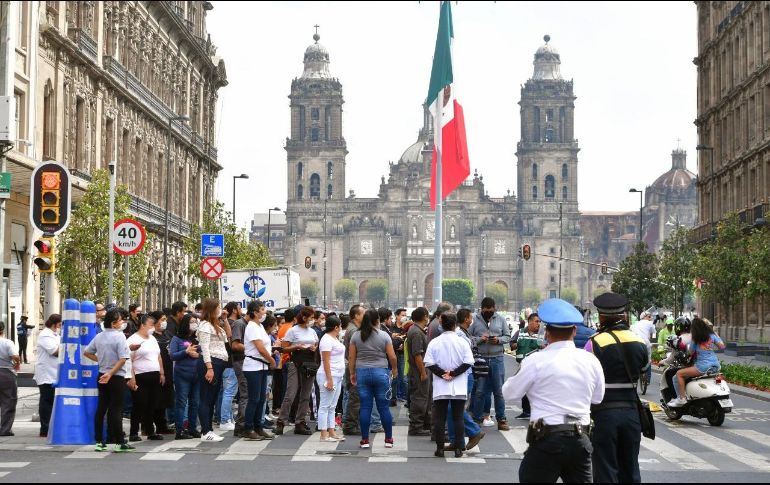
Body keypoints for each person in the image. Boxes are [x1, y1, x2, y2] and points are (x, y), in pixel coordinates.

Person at [503, 299, 605, 483]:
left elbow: (509, 394)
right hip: (580, 439)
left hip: (546, 439)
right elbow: (598, 398)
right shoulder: (591, 361)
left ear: (547, 333)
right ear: (574, 331)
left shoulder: (535, 361)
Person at [584, 292, 648, 483]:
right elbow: (644, 369)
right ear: (623, 315)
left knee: (605, 469)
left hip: (604, 414)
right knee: (630, 469)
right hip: (631, 413)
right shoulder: (639, 341)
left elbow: (587, 376)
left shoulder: (594, 342)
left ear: (602, 316)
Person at [424, 312, 476, 458]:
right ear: (455, 325)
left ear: (441, 324)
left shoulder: (435, 342)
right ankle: (459, 449)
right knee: (458, 417)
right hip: (458, 384)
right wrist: (453, 373)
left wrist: (442, 374)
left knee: (440, 418)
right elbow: (468, 362)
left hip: (441, 385)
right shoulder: (462, 342)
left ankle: (440, 449)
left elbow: (429, 363)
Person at [83, 308, 134, 452]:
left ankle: (99, 441)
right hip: (115, 376)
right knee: (116, 409)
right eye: (120, 321)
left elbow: (87, 352)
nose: (123, 322)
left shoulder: (99, 336)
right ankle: (119, 442)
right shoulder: (119, 337)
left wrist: (101, 361)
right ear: (113, 323)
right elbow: (123, 358)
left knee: (101, 408)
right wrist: (111, 373)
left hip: (102, 374)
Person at [349, 309, 397, 449]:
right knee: (384, 408)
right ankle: (388, 439)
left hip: (362, 372)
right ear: (378, 320)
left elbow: (352, 357)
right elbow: (392, 357)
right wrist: (394, 370)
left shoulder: (356, 336)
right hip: (381, 372)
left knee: (365, 407)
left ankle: (365, 440)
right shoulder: (384, 336)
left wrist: (352, 373)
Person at [469, 297, 511, 430]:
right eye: (485, 310)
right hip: (481, 359)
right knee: (480, 391)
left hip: (497, 358)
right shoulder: (475, 320)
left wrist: (498, 340)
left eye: (490, 310)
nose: (488, 313)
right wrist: (480, 339)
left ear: (494, 309)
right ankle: (477, 418)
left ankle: (502, 419)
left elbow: (507, 336)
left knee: (499, 391)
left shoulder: (501, 319)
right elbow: (468, 338)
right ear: (481, 309)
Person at [275, 306, 319, 436]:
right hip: (296, 362)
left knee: (305, 395)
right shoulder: (293, 330)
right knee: (291, 393)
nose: (312, 320)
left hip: (309, 363)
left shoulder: (312, 331)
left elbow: (316, 344)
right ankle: (281, 421)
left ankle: (300, 422)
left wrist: (314, 348)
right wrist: (297, 346)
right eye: (311, 317)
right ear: (304, 317)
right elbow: (284, 348)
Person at [668, 317, 725, 407]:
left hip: (702, 366)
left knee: (678, 374)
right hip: (716, 365)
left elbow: (690, 353)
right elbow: (722, 347)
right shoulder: (712, 336)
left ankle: (681, 398)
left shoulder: (695, 339)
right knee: (717, 377)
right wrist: (716, 335)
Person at [126, 313, 165, 442]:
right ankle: (133, 432)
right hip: (140, 375)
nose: (153, 327)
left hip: (154, 374)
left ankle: (150, 430)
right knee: (139, 404)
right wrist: (131, 378)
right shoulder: (133, 339)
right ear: (143, 325)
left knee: (151, 404)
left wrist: (161, 372)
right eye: (151, 324)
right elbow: (128, 360)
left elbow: (158, 356)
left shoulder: (152, 339)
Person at [196, 298, 229, 442]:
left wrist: (225, 319)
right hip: (211, 363)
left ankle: (209, 429)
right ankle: (205, 430)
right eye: (218, 307)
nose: (220, 309)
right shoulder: (204, 326)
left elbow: (228, 336)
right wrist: (209, 368)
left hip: (219, 362)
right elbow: (205, 347)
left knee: (212, 397)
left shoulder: (216, 325)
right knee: (206, 397)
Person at [242, 311, 276, 440]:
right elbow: (260, 348)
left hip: (262, 366)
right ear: (255, 312)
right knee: (254, 399)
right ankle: (248, 428)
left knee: (262, 398)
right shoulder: (251, 326)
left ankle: (258, 427)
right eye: (262, 309)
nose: (264, 312)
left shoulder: (260, 326)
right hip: (253, 366)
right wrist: (271, 360)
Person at [230, 300, 262, 437]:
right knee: (246, 394)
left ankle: (251, 423)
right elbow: (235, 345)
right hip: (241, 362)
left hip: (253, 363)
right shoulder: (239, 324)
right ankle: (242, 425)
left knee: (254, 395)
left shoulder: (255, 325)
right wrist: (252, 347)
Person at [169, 313, 201, 440]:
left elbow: (204, 353)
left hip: (197, 374)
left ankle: (192, 428)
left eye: (195, 322)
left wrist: (198, 355)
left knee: (195, 403)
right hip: (182, 374)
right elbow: (173, 355)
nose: (194, 324)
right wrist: (186, 352)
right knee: (181, 402)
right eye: (192, 322)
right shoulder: (177, 339)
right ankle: (180, 430)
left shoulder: (197, 338)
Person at [317, 316, 345, 442]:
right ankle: (323, 434)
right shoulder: (326, 339)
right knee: (325, 405)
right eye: (340, 326)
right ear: (336, 327)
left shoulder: (334, 338)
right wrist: (329, 379)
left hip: (337, 375)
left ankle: (331, 431)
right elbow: (326, 360)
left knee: (332, 406)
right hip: (329, 375)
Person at [510, 312, 542, 420]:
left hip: (537, 366)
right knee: (524, 388)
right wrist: (517, 344)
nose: (539, 324)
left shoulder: (541, 335)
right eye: (536, 321)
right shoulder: (519, 333)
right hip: (522, 365)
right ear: (529, 321)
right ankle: (526, 411)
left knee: (536, 388)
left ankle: (536, 411)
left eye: (539, 322)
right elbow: (512, 345)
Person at [34, 314, 61, 437]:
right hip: (46, 374)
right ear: (54, 324)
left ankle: (51, 427)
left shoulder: (54, 335)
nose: (60, 327)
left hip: (53, 373)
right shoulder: (45, 335)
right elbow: (55, 352)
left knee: (51, 401)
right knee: (46, 401)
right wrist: (68, 345)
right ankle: (45, 429)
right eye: (59, 324)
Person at [218, 301, 241, 432]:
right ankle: (225, 419)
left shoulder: (229, 323)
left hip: (229, 362)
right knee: (229, 392)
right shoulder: (232, 324)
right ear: (234, 310)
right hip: (229, 362)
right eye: (238, 308)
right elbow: (231, 339)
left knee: (229, 392)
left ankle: (228, 418)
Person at [150, 311, 174, 434]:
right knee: (155, 399)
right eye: (162, 319)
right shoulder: (151, 336)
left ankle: (162, 425)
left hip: (169, 370)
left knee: (165, 399)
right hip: (156, 370)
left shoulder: (168, 334)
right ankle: (150, 425)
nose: (164, 322)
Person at [0, 322, 21, 436]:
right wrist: (17, 363)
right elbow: (15, 356)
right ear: (3, 330)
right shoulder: (7, 342)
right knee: (8, 401)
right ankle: (4, 429)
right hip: (6, 373)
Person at [631, 311, 656, 385]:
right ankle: (647, 379)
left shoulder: (634, 324)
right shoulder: (650, 323)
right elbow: (654, 333)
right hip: (645, 343)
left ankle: (633, 377)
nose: (650, 318)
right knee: (649, 360)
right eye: (649, 316)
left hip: (635, 343)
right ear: (644, 317)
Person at [391, 309, 409, 402]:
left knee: (402, 375)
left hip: (402, 354)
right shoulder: (391, 327)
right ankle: (395, 394)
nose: (404, 317)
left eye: (405, 315)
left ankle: (402, 394)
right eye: (402, 315)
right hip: (393, 353)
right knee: (394, 375)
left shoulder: (406, 327)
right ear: (397, 316)